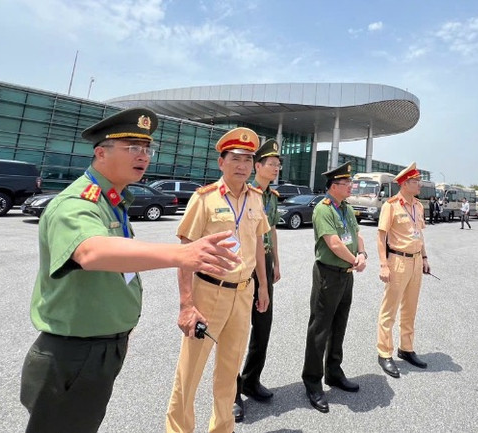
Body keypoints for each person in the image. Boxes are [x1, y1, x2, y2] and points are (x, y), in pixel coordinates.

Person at [19, 108, 241, 433]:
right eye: (133, 148)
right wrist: (182, 254)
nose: (144, 157)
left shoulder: (114, 201)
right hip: (73, 353)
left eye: (147, 149)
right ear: (100, 152)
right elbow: (91, 251)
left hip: (99, 348)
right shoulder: (78, 203)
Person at [165, 127, 270, 433]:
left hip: (243, 293)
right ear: (221, 162)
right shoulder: (204, 199)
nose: (242, 165)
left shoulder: (255, 198)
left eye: (248, 159)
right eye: (235, 158)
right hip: (208, 292)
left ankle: (222, 428)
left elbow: (259, 247)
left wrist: (262, 286)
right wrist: (186, 304)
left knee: (229, 371)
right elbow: (184, 253)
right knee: (190, 372)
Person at [302, 161, 367, 413]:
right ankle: (312, 381)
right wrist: (355, 260)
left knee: (339, 324)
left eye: (350, 182)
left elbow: (356, 234)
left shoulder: (346, 207)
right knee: (320, 328)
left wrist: (362, 254)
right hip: (328, 274)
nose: (351, 186)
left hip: (346, 274)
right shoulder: (324, 209)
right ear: (333, 186)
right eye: (346, 183)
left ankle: (334, 372)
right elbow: (333, 243)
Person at [233, 139, 282, 422]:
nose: (275, 168)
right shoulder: (246, 193)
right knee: (238, 330)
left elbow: (271, 231)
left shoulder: (272, 197)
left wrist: (277, 261)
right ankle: (232, 391)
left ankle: (252, 380)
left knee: (262, 326)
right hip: (244, 265)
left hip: (265, 264)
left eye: (278, 164)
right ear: (258, 166)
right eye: (271, 164)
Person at [376, 163, 431, 379]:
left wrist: (425, 257)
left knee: (410, 308)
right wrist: (383, 264)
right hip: (398, 261)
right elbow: (381, 236)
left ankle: (406, 348)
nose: (420, 185)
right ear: (406, 183)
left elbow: (420, 233)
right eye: (416, 182)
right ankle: (384, 352)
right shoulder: (391, 206)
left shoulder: (418, 206)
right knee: (389, 309)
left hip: (416, 261)